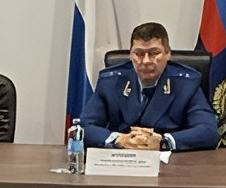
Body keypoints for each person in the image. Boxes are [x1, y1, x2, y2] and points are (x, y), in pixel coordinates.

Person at [82, 22, 218, 150]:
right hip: (121, 158)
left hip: (170, 162)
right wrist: (118, 140)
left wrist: (164, 142)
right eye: (139, 54)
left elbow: (208, 131)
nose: (146, 61)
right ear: (130, 55)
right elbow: (84, 126)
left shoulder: (186, 85)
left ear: (168, 54)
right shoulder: (110, 82)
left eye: (154, 53)